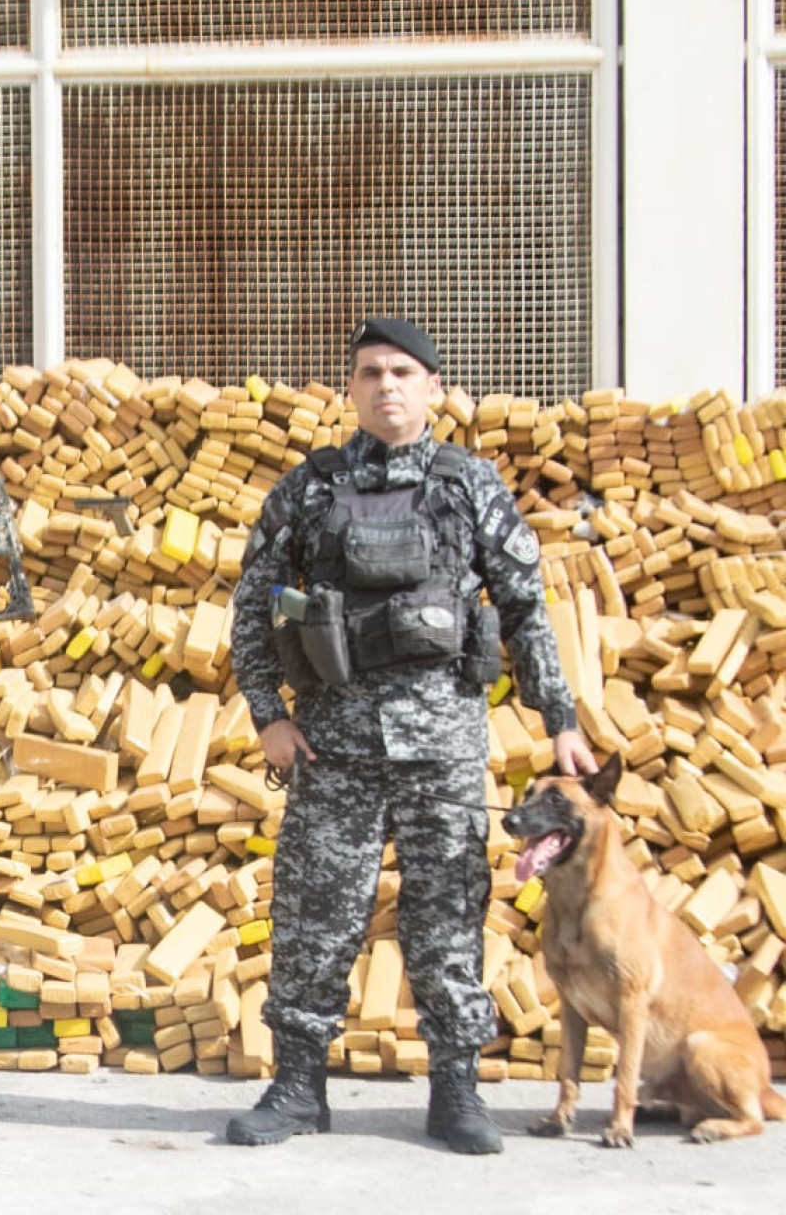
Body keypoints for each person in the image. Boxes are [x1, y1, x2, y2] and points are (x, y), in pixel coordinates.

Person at [225, 317, 597, 1154]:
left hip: (443, 746)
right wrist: (268, 715)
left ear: (434, 387)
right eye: (368, 373)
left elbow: (527, 608)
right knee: (315, 918)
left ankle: (456, 1091)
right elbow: (252, 606)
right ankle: (296, 1087)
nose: (385, 385)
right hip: (334, 744)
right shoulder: (310, 491)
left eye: (401, 372)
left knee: (447, 918)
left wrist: (561, 720)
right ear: (350, 390)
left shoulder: (471, 486)